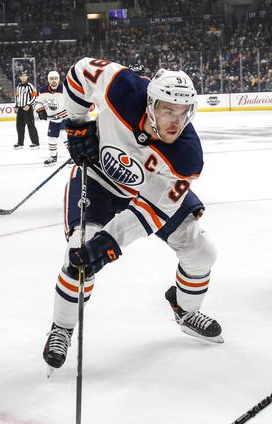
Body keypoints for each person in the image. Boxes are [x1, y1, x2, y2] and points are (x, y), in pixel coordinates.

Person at [42, 58, 222, 375]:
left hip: (149, 192)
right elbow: (80, 71)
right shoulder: (122, 86)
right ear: (150, 103)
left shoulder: (186, 154)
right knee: (77, 255)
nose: (176, 122)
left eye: (183, 113)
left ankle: (185, 309)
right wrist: (78, 123)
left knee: (202, 251)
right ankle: (62, 328)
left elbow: (152, 210)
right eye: (168, 110)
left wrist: (109, 244)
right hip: (97, 179)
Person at [35, 71, 67, 165]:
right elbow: (38, 102)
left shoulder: (65, 89)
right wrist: (40, 110)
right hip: (53, 119)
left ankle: (73, 156)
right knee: (51, 138)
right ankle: (53, 157)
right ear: (49, 80)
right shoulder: (43, 90)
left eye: (56, 78)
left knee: (64, 135)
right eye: (52, 79)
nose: (54, 80)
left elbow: (71, 102)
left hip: (64, 118)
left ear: (59, 79)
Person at [13, 71, 40, 149]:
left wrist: (29, 104)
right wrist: (16, 106)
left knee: (31, 126)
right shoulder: (18, 87)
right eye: (22, 76)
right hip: (20, 109)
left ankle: (35, 143)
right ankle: (20, 143)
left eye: (25, 76)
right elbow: (17, 97)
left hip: (28, 109)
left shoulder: (30, 86)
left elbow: (35, 97)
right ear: (20, 77)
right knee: (19, 126)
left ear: (27, 77)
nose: (23, 77)